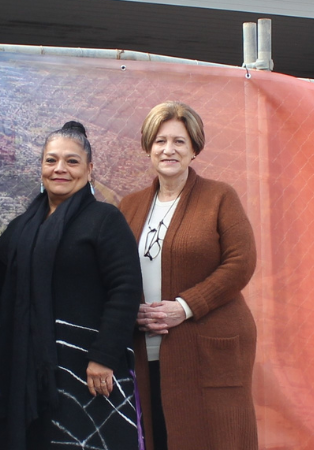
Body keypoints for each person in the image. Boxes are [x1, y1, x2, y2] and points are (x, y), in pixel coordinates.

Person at [0, 121, 142, 449]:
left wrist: (105, 356)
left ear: (90, 168)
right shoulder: (21, 228)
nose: (60, 169)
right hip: (21, 371)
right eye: (51, 160)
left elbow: (125, 289)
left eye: (71, 161)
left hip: (87, 370)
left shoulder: (105, 220)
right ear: (41, 167)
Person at [121, 101, 259, 450]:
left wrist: (184, 306)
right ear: (148, 148)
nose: (169, 150)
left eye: (179, 141)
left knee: (215, 438)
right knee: (159, 437)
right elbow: (118, 271)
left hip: (207, 349)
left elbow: (240, 261)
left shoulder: (219, 197)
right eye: (160, 141)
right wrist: (128, 310)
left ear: (194, 149)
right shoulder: (129, 206)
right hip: (147, 346)